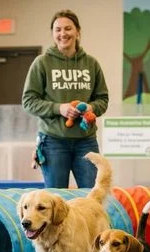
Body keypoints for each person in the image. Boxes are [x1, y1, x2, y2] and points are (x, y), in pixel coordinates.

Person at [22, 9, 109, 189]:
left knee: (92, 197)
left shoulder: (91, 63)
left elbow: (102, 99)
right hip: (52, 141)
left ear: (78, 31)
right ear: (53, 34)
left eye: (68, 28)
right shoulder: (42, 62)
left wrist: (91, 108)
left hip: (86, 141)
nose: (63, 34)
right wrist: (58, 108)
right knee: (55, 200)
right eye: (58, 30)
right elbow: (28, 101)